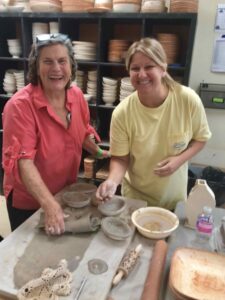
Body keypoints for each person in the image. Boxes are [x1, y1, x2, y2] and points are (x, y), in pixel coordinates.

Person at [2, 33, 109, 235]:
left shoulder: (76, 96)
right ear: (36, 67)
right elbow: (23, 162)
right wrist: (49, 204)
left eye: (62, 61)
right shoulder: (20, 106)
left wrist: (99, 154)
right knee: (30, 258)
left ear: (71, 66)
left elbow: (81, 131)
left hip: (64, 192)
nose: (56, 68)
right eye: (47, 61)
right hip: (30, 201)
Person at [96, 37, 211, 211]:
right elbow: (120, 158)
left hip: (174, 200)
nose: (141, 74)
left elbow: (200, 139)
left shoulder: (187, 100)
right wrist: (112, 181)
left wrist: (178, 160)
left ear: (163, 68)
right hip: (135, 200)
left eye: (149, 66)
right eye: (135, 68)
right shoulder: (122, 113)